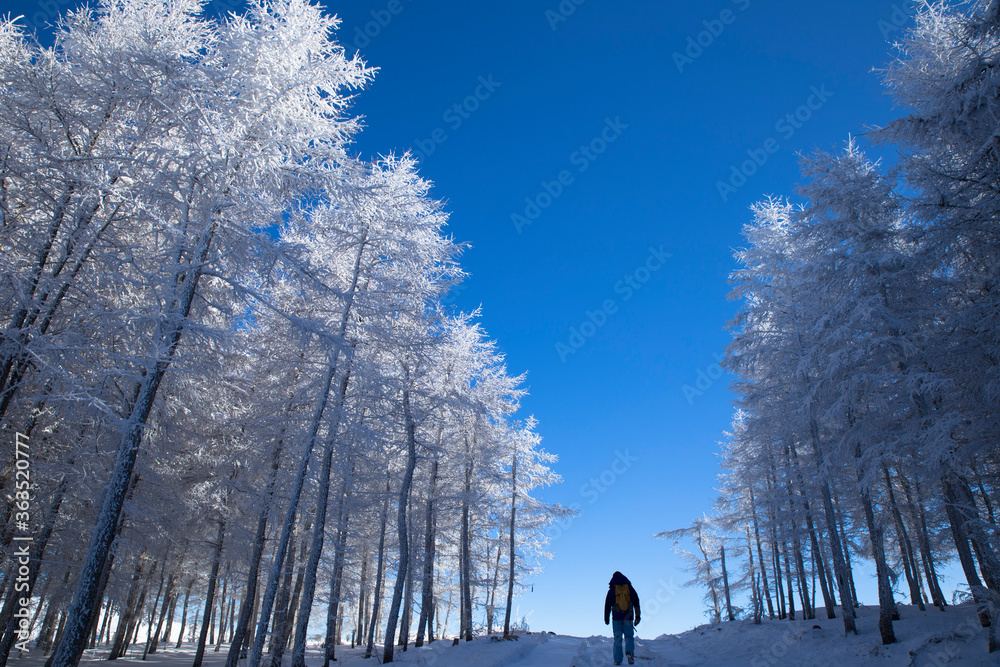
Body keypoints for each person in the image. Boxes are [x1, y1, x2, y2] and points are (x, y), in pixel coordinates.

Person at [604, 570, 640, 665]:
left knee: (617, 639)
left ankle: (617, 660)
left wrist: (606, 618)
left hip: (616, 617)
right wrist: (638, 616)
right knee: (629, 637)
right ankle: (630, 654)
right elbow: (636, 601)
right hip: (628, 617)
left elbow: (607, 605)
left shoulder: (612, 589)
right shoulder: (629, 588)